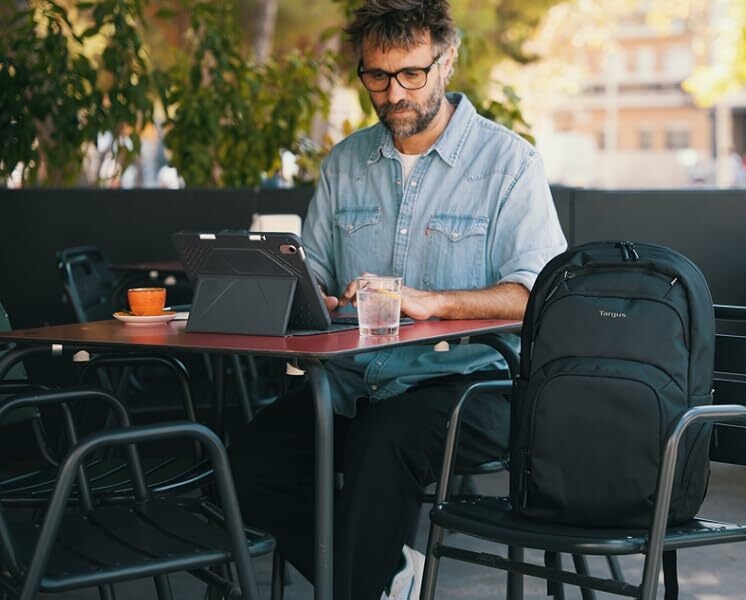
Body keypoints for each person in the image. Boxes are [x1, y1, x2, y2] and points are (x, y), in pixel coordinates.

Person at [227, 1, 567, 598]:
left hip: (471, 386)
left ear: (446, 61)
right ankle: (386, 574)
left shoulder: (508, 164)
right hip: (355, 385)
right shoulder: (345, 163)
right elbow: (316, 282)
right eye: (376, 78)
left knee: (382, 443)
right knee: (249, 459)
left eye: (411, 74)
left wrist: (434, 302)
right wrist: (316, 295)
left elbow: (535, 293)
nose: (393, 94)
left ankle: (369, 575)